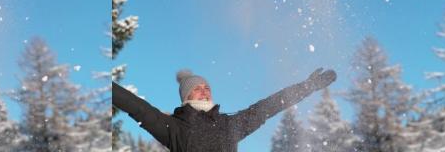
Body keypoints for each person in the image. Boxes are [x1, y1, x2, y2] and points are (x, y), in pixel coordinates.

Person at [113, 67, 336, 151]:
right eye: (197, 88)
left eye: (206, 87)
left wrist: (308, 86)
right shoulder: (175, 128)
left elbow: (268, 107)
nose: (204, 91)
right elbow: (137, 107)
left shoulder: (229, 124)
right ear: (185, 97)